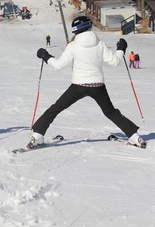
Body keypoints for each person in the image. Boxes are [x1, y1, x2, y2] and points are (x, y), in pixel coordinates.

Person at [27, 16, 146, 149]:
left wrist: (45, 56)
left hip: (78, 85)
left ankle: (38, 135)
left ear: (76, 31)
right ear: (89, 27)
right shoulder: (99, 43)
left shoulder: (73, 45)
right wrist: (121, 48)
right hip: (98, 86)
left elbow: (59, 65)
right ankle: (134, 136)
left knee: (56, 108)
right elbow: (114, 61)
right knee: (111, 112)